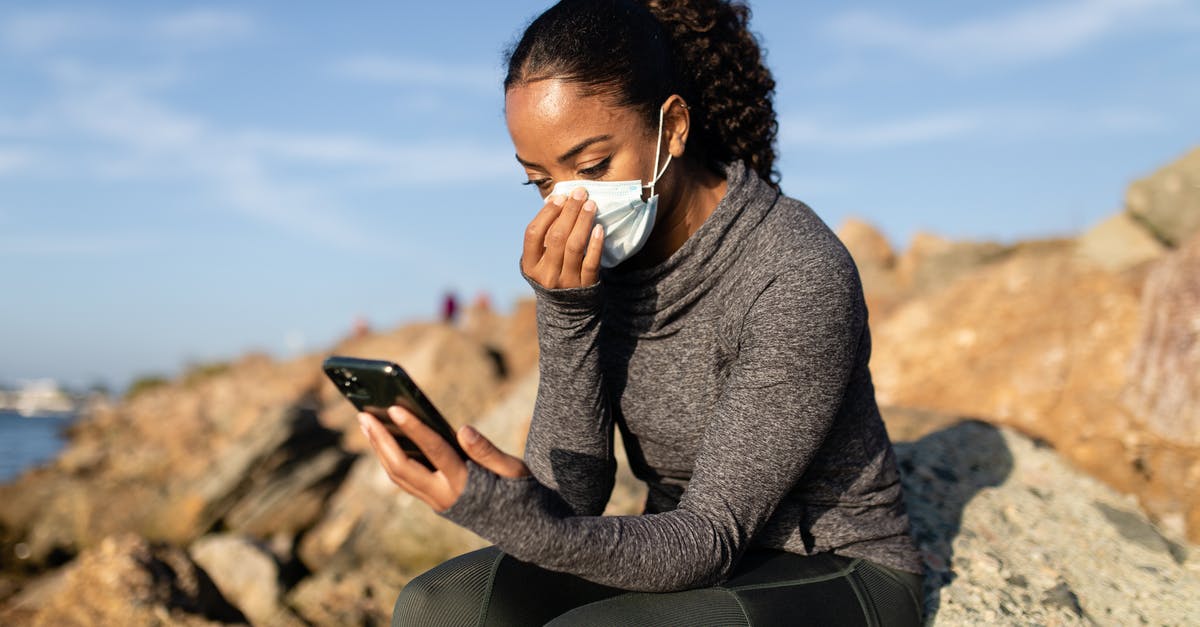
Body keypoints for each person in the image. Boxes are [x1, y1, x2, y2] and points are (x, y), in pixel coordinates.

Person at [357, 0, 925, 624]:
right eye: (540, 181)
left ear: (673, 127)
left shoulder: (794, 271)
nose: (570, 199)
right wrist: (566, 311)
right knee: (438, 608)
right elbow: (571, 499)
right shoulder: (602, 266)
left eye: (592, 166)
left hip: (829, 564)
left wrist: (507, 515)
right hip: (674, 546)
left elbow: (709, 538)